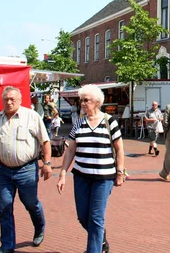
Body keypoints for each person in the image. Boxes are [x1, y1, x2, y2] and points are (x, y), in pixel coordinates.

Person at [57, 84, 125, 253]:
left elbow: (119, 149)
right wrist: (63, 173)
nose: (82, 103)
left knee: (95, 218)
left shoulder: (110, 122)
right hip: (81, 176)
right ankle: (101, 238)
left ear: (97, 102)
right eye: (81, 100)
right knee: (83, 217)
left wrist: (120, 172)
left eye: (86, 100)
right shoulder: (78, 123)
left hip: (104, 178)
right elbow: (71, 149)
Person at [0, 86, 51, 253]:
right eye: (6, 99)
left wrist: (47, 164)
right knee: (4, 207)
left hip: (27, 169)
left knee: (30, 203)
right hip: (5, 171)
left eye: (13, 99)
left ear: (20, 100)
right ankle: (7, 246)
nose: (9, 102)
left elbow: (45, 141)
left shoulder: (32, 116)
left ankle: (39, 226)